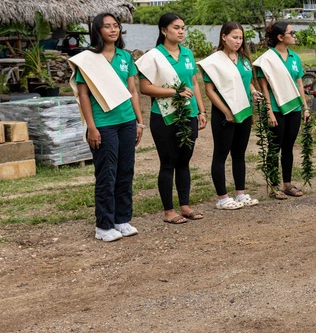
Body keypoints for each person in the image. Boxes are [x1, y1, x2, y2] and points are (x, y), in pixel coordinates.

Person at [71, 13, 144, 241]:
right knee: (107, 174)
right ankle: (104, 226)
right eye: (107, 26)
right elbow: (83, 95)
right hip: (103, 125)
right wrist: (91, 127)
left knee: (126, 172)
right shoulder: (88, 60)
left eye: (116, 26)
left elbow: (132, 91)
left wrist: (139, 122)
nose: (113, 30)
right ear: (97, 30)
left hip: (127, 122)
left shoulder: (125, 56)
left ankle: (122, 220)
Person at [138, 13, 209, 224]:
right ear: (163, 30)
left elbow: (194, 83)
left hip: (189, 114)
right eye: (176, 28)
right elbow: (145, 88)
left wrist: (202, 111)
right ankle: (169, 211)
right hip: (164, 116)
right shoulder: (153, 56)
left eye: (183, 28)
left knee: (184, 161)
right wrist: (173, 92)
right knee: (168, 163)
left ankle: (185, 206)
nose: (181, 32)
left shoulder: (187, 53)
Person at [200, 22, 260, 210]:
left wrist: (253, 92)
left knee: (239, 154)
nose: (238, 41)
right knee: (221, 154)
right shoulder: (214, 61)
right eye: (234, 37)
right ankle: (222, 198)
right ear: (224, 37)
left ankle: (241, 193)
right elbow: (209, 90)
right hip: (224, 115)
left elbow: (247, 81)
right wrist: (226, 112)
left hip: (244, 111)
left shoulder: (243, 59)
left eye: (241, 38)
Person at [253, 21, 310, 199]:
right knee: (274, 147)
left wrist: (305, 107)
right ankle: (274, 186)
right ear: (280, 37)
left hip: (294, 107)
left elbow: (299, 84)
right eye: (291, 33)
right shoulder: (267, 59)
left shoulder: (295, 58)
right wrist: (269, 111)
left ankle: (287, 184)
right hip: (276, 108)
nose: (294, 36)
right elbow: (264, 87)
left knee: (288, 147)